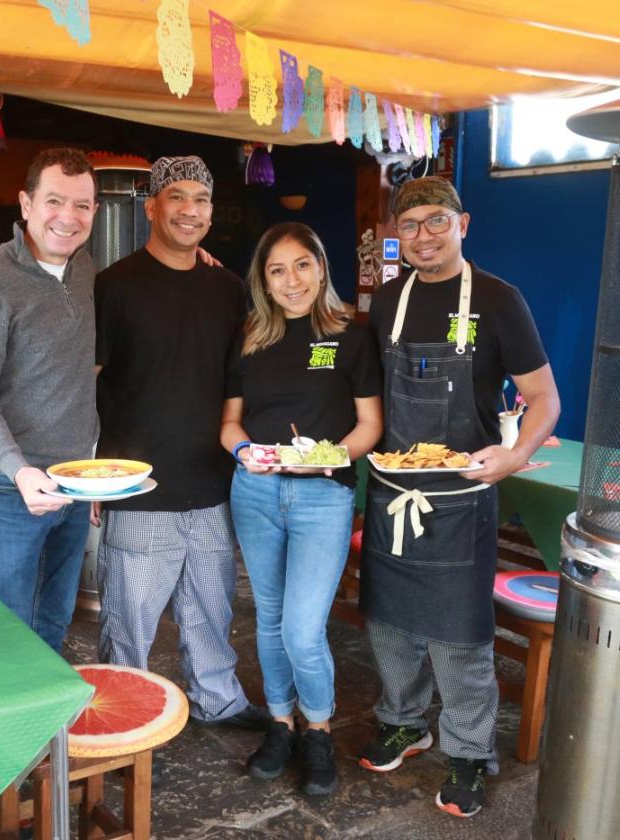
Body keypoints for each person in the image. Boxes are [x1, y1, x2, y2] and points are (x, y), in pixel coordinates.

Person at [360, 176, 560, 818]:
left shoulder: (500, 301)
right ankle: (403, 720)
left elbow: (545, 400)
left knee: (459, 636)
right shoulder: (386, 302)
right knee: (388, 622)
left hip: (462, 494)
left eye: (435, 222)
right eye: (411, 224)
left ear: (462, 224)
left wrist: (517, 454)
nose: (423, 235)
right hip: (391, 489)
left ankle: (469, 754)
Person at [94, 155, 267, 729]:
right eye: (177, 198)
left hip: (210, 481)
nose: (190, 210)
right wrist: (92, 471)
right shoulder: (113, 285)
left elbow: (240, 381)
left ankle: (218, 699)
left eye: (201, 200)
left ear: (211, 213)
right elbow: (89, 382)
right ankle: (123, 716)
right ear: (152, 208)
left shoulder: (228, 288)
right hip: (137, 482)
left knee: (211, 606)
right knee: (130, 619)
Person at [219, 222, 382, 794]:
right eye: (277, 269)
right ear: (263, 279)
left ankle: (319, 729)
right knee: (268, 618)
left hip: (323, 496)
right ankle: (281, 724)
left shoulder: (351, 336)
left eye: (302, 265)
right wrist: (244, 452)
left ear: (321, 266)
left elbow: (370, 426)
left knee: (303, 629)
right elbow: (230, 424)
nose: (292, 281)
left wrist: (329, 457)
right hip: (256, 493)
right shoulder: (250, 339)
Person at [0, 147, 98, 653]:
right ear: (25, 204)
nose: (68, 216)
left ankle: (50, 733)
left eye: (82, 205)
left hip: (76, 484)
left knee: (56, 621)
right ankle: (12, 732)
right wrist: (20, 470)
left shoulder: (86, 273)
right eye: (54, 201)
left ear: (95, 212)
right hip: (11, 489)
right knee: (11, 633)